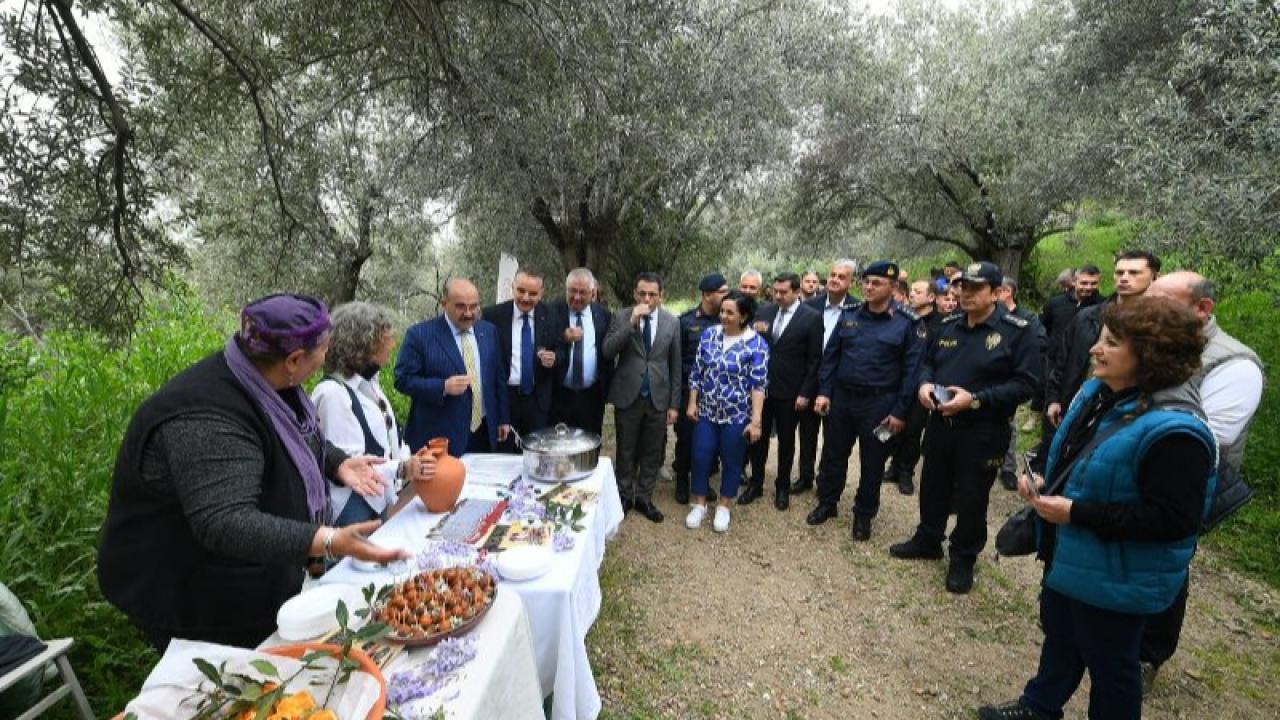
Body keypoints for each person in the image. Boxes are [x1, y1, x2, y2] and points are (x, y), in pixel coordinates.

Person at [97, 294, 409, 650]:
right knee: (229, 680)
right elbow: (226, 521)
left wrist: (336, 462)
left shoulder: (264, 376)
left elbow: (295, 435)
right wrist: (326, 540)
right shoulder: (207, 417)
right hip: (188, 587)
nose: (328, 355)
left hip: (249, 572)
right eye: (324, 348)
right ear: (293, 360)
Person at [977, 296, 1216, 720]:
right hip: (1072, 557)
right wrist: (1048, 482)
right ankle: (1039, 706)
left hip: (1117, 575)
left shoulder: (1176, 431)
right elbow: (1084, 459)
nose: (1094, 349)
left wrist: (1077, 513)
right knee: (1061, 637)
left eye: (1110, 342)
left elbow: (1175, 520)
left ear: (1149, 354)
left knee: (1112, 667)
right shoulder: (1098, 392)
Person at [1138, 272, 1264, 691]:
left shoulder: (1235, 364)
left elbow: (1211, 435)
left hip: (1186, 485)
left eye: (1159, 299)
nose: (1146, 304)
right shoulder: (1152, 342)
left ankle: (1149, 655)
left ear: (1201, 308)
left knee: (1168, 564)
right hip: (1137, 471)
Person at [890, 262, 1040, 594]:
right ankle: (928, 538)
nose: (965, 293)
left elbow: (1026, 384)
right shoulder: (949, 325)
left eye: (975, 288)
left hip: (984, 430)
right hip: (943, 423)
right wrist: (925, 385)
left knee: (972, 496)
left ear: (997, 293)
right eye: (963, 287)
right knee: (932, 485)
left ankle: (963, 557)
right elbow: (928, 361)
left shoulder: (1018, 331)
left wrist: (975, 400)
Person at [807, 262, 925, 540]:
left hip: (880, 406)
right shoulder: (849, 316)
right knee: (833, 454)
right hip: (843, 400)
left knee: (873, 462)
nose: (869, 287)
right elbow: (831, 357)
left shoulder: (908, 323)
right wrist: (824, 391)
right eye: (866, 282)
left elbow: (912, 373)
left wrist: (899, 411)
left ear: (893, 288)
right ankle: (827, 502)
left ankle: (863, 514)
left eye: (877, 283)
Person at [312, 301, 432, 525]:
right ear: (364, 343)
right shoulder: (332, 394)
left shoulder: (370, 385)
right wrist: (402, 468)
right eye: (385, 338)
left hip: (376, 500)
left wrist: (409, 458)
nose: (392, 344)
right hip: (349, 509)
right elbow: (347, 462)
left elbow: (388, 439)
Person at [395, 278, 511, 455]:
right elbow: (402, 379)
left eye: (474, 306)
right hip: (441, 435)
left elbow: (498, 377)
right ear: (444, 304)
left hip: (485, 431)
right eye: (460, 306)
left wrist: (503, 418)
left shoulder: (488, 331)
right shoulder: (419, 335)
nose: (468, 313)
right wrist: (442, 386)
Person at [685, 291, 769, 533]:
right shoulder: (709, 335)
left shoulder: (756, 344)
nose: (723, 315)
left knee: (732, 460)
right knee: (700, 456)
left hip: (737, 415)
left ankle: (724, 505)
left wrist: (756, 421)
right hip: (707, 411)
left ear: (743, 316)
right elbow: (697, 372)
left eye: (730, 312)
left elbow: (758, 385)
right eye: (722, 311)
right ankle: (699, 503)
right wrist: (692, 402)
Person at [1046, 251, 1159, 431]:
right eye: (1120, 272)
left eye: (1134, 272)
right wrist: (1053, 399)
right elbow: (1063, 360)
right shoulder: (1086, 317)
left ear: (1154, 277)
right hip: (1078, 402)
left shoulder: (1161, 323)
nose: (1124, 278)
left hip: (1129, 413)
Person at [604, 272, 682, 522]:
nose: (647, 298)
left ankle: (644, 497)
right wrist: (631, 323)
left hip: (658, 396)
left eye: (653, 294)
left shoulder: (672, 322)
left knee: (652, 452)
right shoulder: (621, 316)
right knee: (626, 450)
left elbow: (676, 365)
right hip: (628, 395)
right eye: (642, 293)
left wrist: (674, 404)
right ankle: (624, 496)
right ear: (634, 293)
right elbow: (608, 351)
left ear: (662, 296)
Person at [743, 273, 823, 510]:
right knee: (757, 438)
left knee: (787, 442)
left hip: (791, 392)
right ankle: (755, 483)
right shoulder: (764, 312)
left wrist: (806, 392)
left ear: (796, 291)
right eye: (775, 291)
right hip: (762, 390)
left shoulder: (811, 317)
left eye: (783, 292)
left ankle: (782, 486)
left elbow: (814, 359)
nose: (777, 296)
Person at [794, 259, 860, 494]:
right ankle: (805, 476)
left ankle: (826, 481)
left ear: (851, 281)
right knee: (807, 433)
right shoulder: (810, 306)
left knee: (834, 437)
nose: (834, 279)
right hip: (810, 380)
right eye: (832, 274)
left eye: (841, 277)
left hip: (838, 384)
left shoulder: (858, 309)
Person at [482, 269, 561, 451]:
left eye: (533, 294)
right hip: (505, 398)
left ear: (541, 293)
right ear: (513, 288)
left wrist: (555, 358)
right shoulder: (493, 316)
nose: (526, 298)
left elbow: (561, 349)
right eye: (521, 291)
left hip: (538, 398)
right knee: (505, 454)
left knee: (537, 454)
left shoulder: (551, 315)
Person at [886, 279, 948, 495]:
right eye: (911, 291)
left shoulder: (942, 324)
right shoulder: (901, 317)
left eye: (918, 292)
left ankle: (906, 471)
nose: (912, 294)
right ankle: (893, 464)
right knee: (892, 424)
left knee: (913, 429)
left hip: (923, 385)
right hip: (897, 381)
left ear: (931, 297)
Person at [674, 273, 730, 503]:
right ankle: (681, 480)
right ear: (707, 295)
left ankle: (702, 481)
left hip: (717, 393)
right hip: (690, 391)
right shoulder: (686, 321)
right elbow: (676, 361)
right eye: (722, 292)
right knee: (686, 439)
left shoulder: (727, 320)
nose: (727, 295)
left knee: (710, 442)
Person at [995, 278, 1047, 491]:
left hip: (1012, 380)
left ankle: (1007, 468)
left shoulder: (1027, 318)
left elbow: (1041, 342)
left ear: (1008, 292)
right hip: (990, 378)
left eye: (997, 290)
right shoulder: (992, 316)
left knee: (1008, 423)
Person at [550, 268, 613, 435]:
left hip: (591, 395)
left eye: (582, 292)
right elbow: (543, 342)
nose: (576, 297)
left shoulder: (604, 315)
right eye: (572, 291)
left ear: (593, 293)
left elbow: (607, 353)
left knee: (590, 445)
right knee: (558, 446)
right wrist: (563, 337)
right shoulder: (551, 312)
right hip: (558, 394)